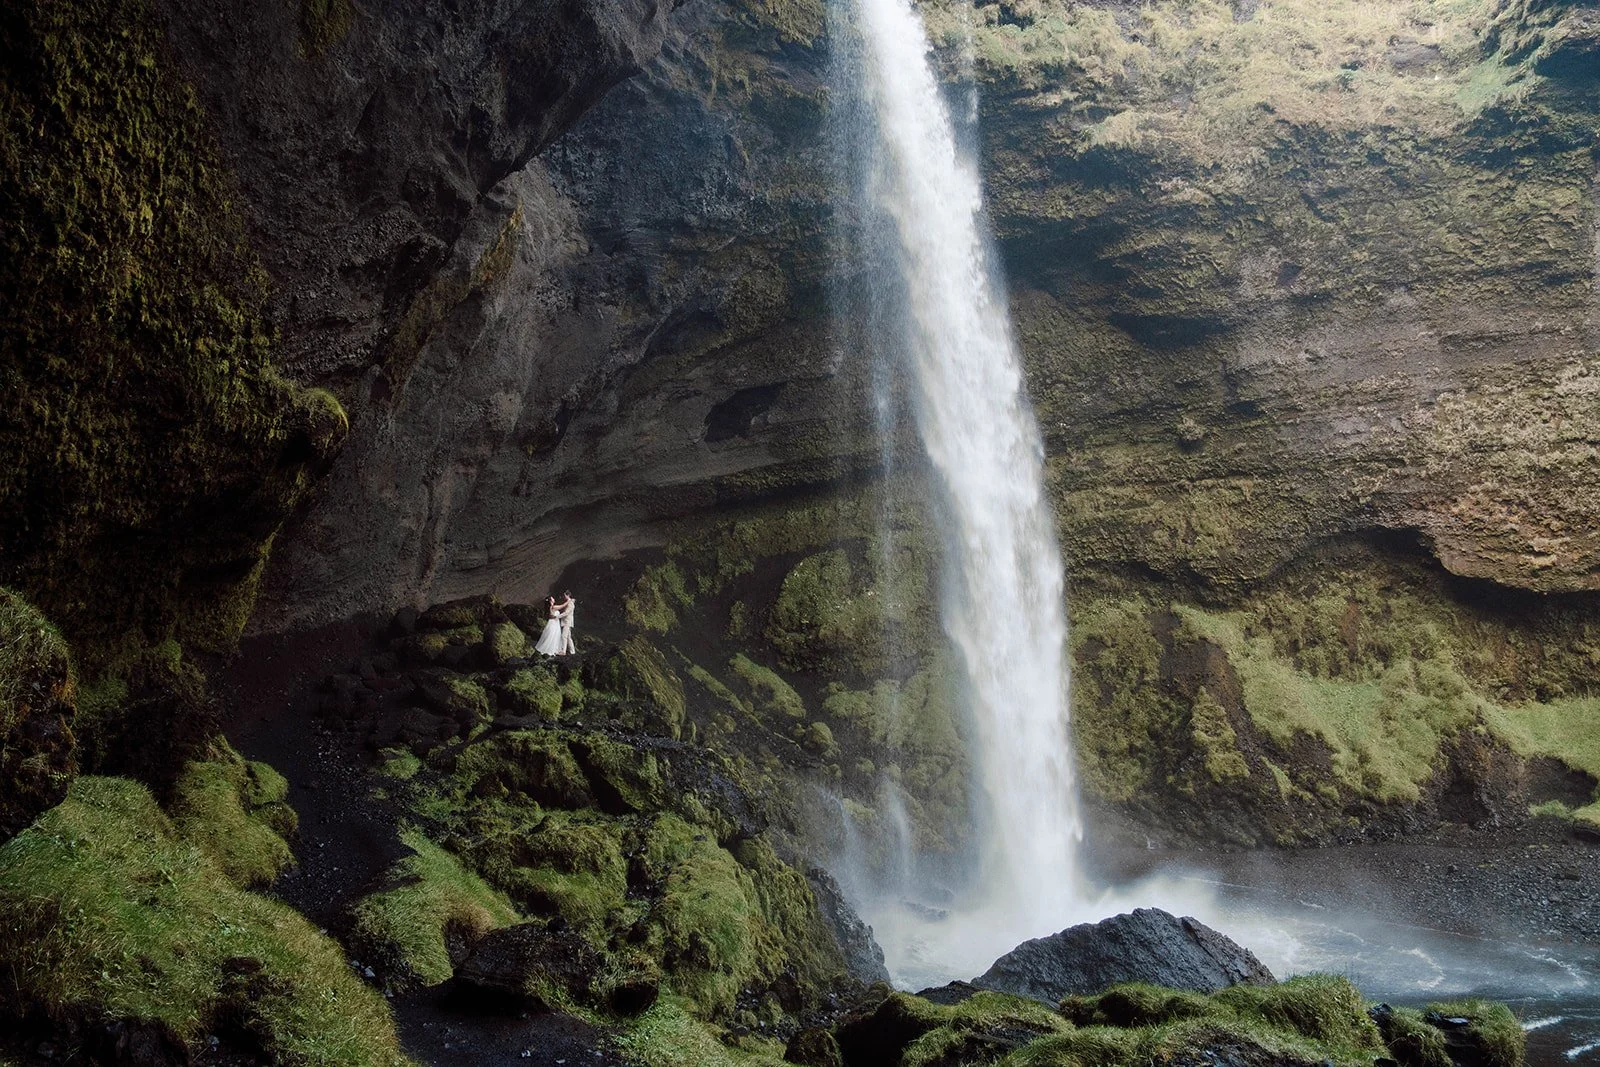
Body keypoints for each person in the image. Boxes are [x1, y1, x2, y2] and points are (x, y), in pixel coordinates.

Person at [558, 590, 576, 655]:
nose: (563, 596)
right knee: (568, 637)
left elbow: (566, 613)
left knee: (564, 636)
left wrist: (558, 616)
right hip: (566, 621)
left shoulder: (570, 603)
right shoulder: (568, 602)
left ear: (568, 595)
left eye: (564, 595)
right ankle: (572, 651)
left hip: (567, 621)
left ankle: (563, 651)